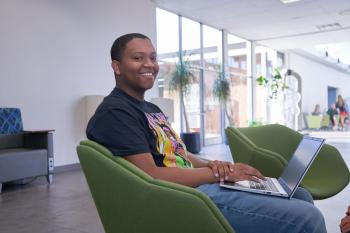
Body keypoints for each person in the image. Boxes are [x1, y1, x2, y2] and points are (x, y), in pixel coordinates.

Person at [86, 33, 327, 233]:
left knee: (301, 196)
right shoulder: (116, 112)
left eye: (153, 57)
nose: (149, 64)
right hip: (185, 198)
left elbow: (178, 153)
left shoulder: (151, 109)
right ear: (116, 66)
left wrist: (216, 166)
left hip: (199, 186)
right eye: (138, 58)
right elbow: (151, 175)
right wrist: (219, 175)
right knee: (307, 218)